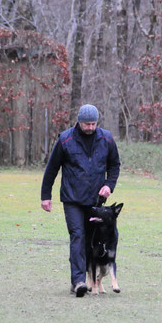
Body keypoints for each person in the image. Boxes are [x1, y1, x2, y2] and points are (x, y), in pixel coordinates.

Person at [41, 104, 121, 297]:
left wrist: (109, 186)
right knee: (77, 235)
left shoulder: (106, 139)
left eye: (93, 124)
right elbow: (52, 169)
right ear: (79, 122)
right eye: (87, 124)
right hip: (72, 198)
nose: (90, 127)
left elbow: (114, 165)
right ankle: (78, 281)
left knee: (91, 241)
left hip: (95, 201)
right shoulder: (65, 139)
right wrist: (45, 196)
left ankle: (90, 278)